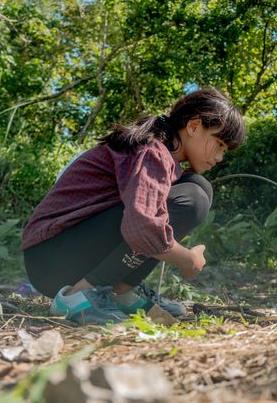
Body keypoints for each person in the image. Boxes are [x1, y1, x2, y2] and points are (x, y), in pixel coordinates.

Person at [21, 88, 245, 325]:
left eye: (224, 150)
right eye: (219, 143)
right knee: (193, 199)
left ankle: (120, 291)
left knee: (199, 187)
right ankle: (78, 295)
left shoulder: (162, 155)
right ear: (194, 126)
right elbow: (141, 225)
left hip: (58, 257)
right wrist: (187, 258)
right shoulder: (152, 151)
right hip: (51, 256)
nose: (220, 157)